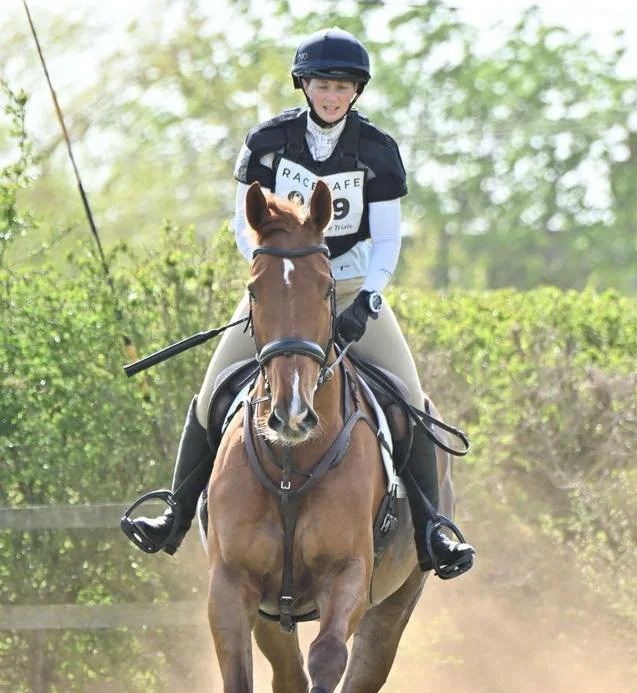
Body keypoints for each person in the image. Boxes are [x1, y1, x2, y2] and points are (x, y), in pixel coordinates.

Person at [121, 27, 475, 579]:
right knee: (212, 393)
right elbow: (246, 221)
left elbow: (386, 241)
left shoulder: (378, 151)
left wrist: (369, 300)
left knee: (410, 401)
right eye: (321, 85)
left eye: (342, 86)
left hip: (354, 288)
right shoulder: (267, 142)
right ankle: (175, 509)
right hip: (282, 290)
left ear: (355, 91)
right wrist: (274, 270)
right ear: (303, 86)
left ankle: (432, 531)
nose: (331, 96)